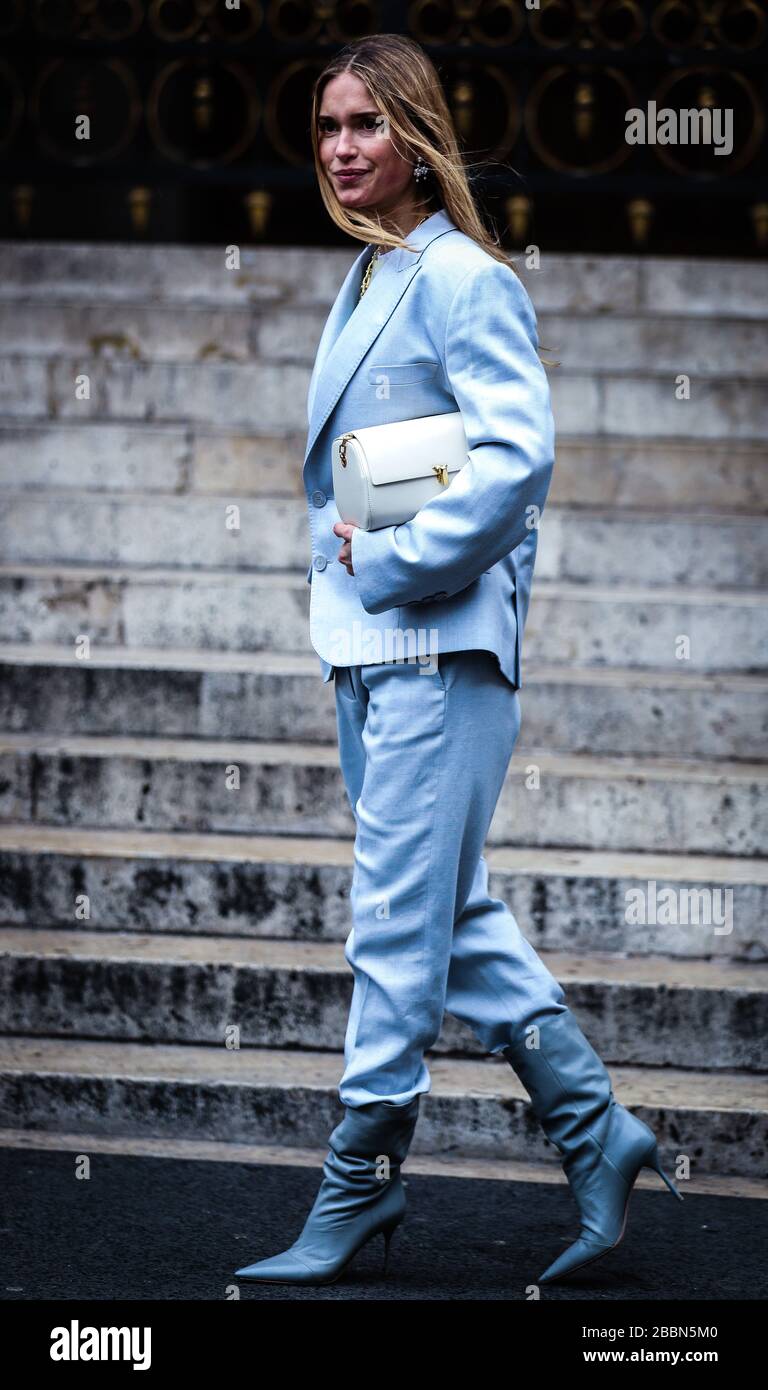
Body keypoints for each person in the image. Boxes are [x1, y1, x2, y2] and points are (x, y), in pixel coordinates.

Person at [235, 33, 683, 1289]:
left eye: (366, 125)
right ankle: (598, 1132)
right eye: (328, 126)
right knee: (448, 910)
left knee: (391, 925)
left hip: (436, 642)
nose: (341, 148)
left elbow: (514, 458)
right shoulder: (374, 274)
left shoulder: (461, 275)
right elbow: (418, 455)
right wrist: (371, 508)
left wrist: (381, 545)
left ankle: (357, 1186)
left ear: (417, 136)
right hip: (375, 649)